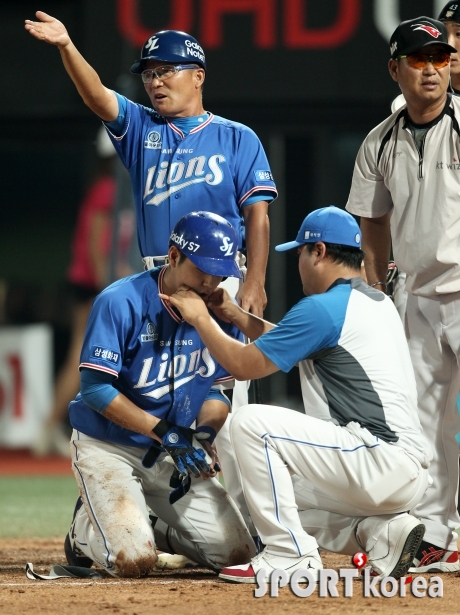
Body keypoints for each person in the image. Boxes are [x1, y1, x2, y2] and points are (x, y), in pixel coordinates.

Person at [25, 11, 277, 528]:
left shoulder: (237, 138)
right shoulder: (142, 129)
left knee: (225, 409)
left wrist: (254, 281)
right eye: (149, 72)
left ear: (198, 76)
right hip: (159, 281)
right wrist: (67, 46)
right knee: (153, 394)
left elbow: (258, 214)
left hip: (218, 284)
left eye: (168, 70)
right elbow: (96, 94)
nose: (156, 80)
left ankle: (246, 522)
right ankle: (130, 502)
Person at [159, 206, 432, 582]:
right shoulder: (374, 301)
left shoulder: (323, 309)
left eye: (301, 253)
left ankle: (288, 554)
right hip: (402, 472)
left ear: (318, 251)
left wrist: (202, 319)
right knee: (272, 496)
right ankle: (383, 533)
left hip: (377, 459)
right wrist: (236, 316)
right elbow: (292, 341)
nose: (298, 262)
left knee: (251, 423)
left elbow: (243, 365)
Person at [64, 211, 255, 577]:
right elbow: (95, 389)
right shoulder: (121, 301)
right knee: (133, 562)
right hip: (109, 446)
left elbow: (215, 389)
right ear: (173, 256)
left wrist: (203, 435)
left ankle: (158, 528)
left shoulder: (220, 312)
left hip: (172, 453)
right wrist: (164, 431)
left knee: (237, 554)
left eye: (220, 272)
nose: (211, 281)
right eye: (202, 270)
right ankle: (84, 533)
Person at [346, 16, 460, 574]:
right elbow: (371, 223)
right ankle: (439, 533)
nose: (433, 69)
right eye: (419, 59)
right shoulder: (379, 141)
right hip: (414, 296)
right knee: (424, 423)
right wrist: (376, 291)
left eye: (440, 59)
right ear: (396, 69)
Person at [31, 127, 123, 457]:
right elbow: (98, 245)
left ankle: (58, 427)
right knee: (81, 357)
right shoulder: (107, 190)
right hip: (92, 285)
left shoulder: (116, 188)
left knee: (91, 357)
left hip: (100, 284)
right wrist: (108, 289)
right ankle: (48, 427)